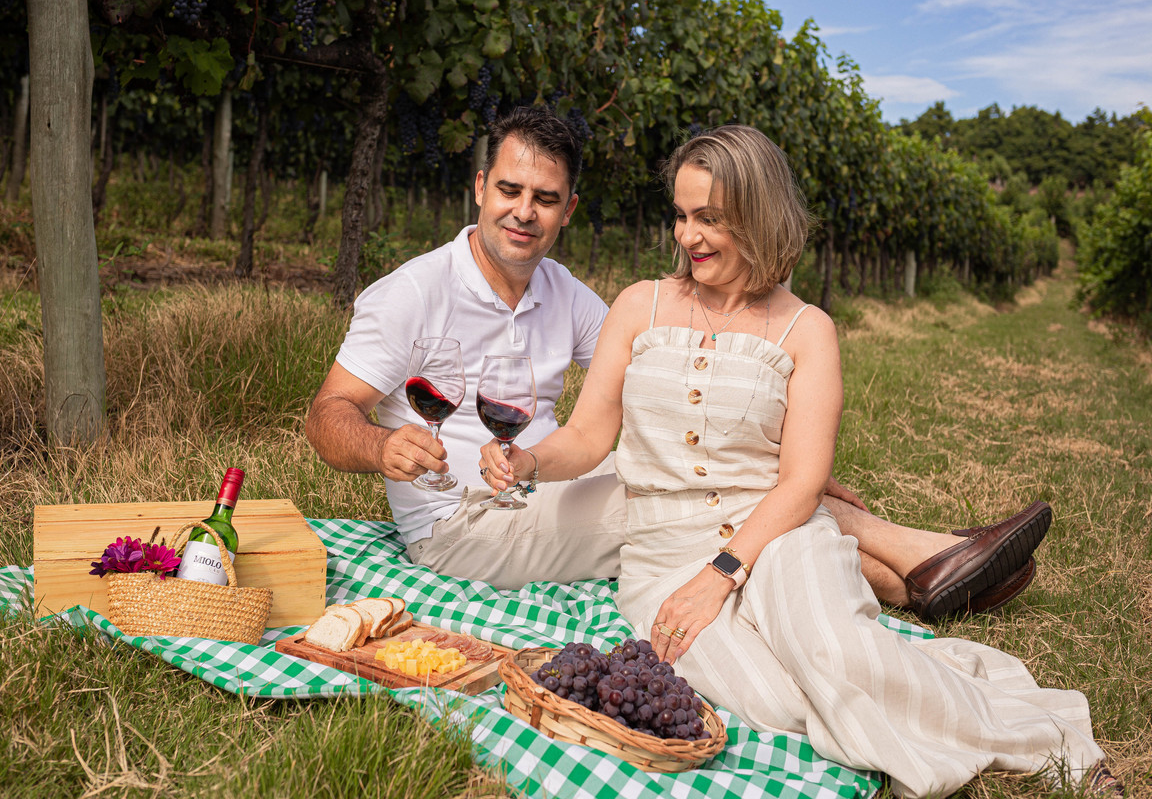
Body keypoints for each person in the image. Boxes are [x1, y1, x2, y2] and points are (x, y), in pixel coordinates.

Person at [478, 124, 1120, 798]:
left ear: (759, 216)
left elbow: (804, 483)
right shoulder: (641, 304)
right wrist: (528, 461)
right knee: (774, 701)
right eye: (681, 216)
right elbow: (587, 437)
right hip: (662, 560)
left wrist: (721, 575)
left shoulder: (807, 330)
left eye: (709, 218)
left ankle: (1055, 745)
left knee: (836, 656)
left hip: (779, 537)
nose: (688, 236)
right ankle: (934, 687)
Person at [305, 106, 1045, 622]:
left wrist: (792, 471)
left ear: (567, 209)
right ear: (479, 188)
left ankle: (922, 582)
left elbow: (670, 388)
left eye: (545, 198)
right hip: (462, 522)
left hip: (544, 488)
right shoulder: (412, 293)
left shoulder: (564, 292)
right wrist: (381, 445)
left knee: (713, 484)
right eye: (509, 190)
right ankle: (926, 558)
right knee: (686, 502)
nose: (523, 212)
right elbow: (326, 415)